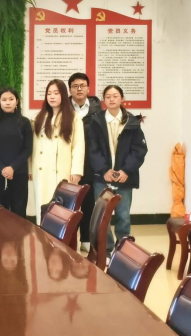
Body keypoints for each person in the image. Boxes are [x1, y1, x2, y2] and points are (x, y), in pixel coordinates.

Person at [88, 85, 147, 256]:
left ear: (122, 99)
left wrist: (126, 171)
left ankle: (122, 250)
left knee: (123, 215)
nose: (112, 99)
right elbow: (92, 149)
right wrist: (104, 170)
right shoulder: (96, 121)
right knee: (103, 216)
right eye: (108, 96)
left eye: (115, 96)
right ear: (103, 100)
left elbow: (139, 150)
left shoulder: (133, 122)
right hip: (102, 177)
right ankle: (105, 249)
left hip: (124, 178)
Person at [30, 79, 84, 225]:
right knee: (42, 208)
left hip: (63, 170)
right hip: (41, 171)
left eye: (56, 93)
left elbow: (78, 146)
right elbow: (33, 146)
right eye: (49, 93)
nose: (52, 96)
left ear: (63, 95)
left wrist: (76, 171)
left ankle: (63, 238)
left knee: (62, 211)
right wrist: (30, 168)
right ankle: (43, 236)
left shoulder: (73, 118)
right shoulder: (38, 118)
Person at [68, 72, 102, 252]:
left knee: (89, 202)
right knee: (70, 202)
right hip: (69, 162)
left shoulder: (98, 110)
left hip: (90, 162)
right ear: (70, 89)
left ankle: (86, 239)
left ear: (88, 88)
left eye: (82, 85)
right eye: (75, 86)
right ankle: (69, 238)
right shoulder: (64, 108)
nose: (79, 89)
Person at [0, 88, 33, 218]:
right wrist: (2, 168)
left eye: (11, 99)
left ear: (16, 101)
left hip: (19, 172)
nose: (7, 102)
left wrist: (12, 168)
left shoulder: (24, 122)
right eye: (4, 99)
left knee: (19, 211)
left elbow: (28, 149)